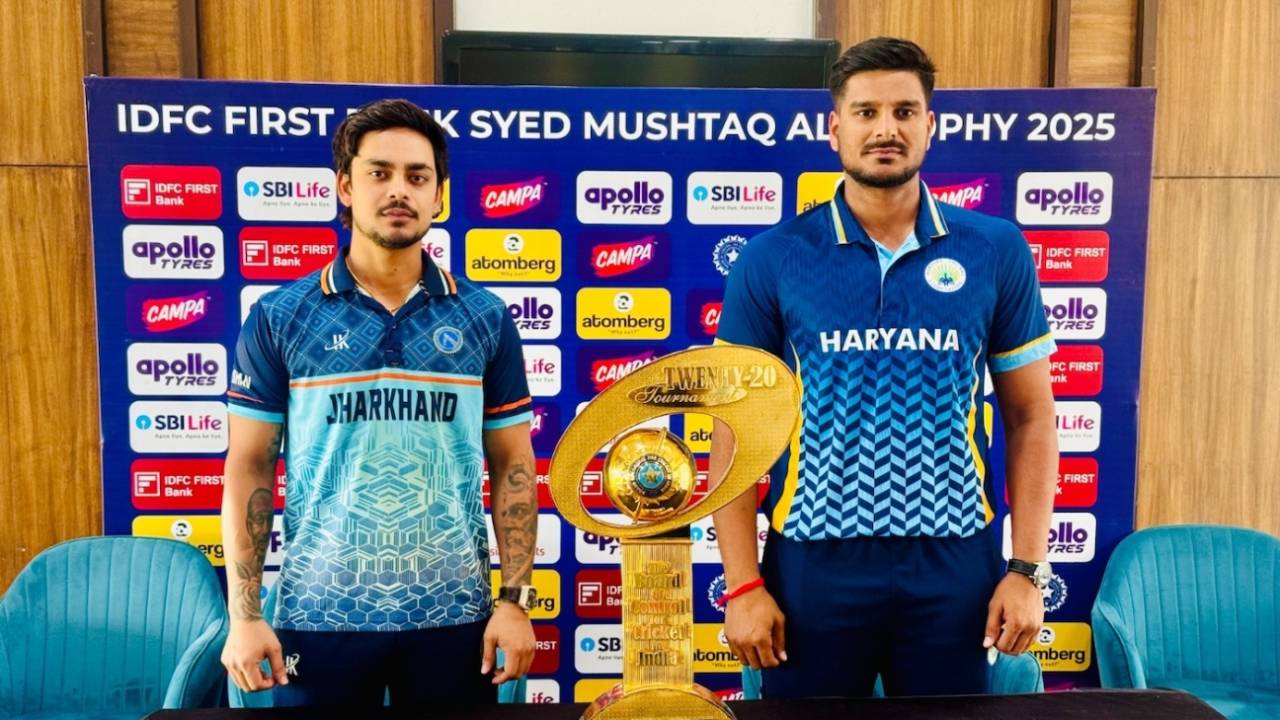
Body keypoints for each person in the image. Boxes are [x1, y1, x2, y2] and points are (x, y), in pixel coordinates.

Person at [710, 37, 1058, 698]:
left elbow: (1031, 413)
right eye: (866, 112)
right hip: (816, 561)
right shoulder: (774, 258)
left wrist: (1027, 567)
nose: (886, 128)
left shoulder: (995, 248)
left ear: (930, 125)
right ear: (834, 127)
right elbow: (734, 429)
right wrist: (743, 583)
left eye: (904, 110)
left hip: (953, 561)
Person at [219, 99, 538, 707]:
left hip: (455, 618)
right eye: (379, 173)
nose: (399, 191)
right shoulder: (282, 317)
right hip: (319, 615)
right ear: (345, 186)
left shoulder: (485, 317)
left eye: (418, 177)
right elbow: (250, 465)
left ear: (439, 195)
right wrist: (245, 614)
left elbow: (514, 467)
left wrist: (514, 602)